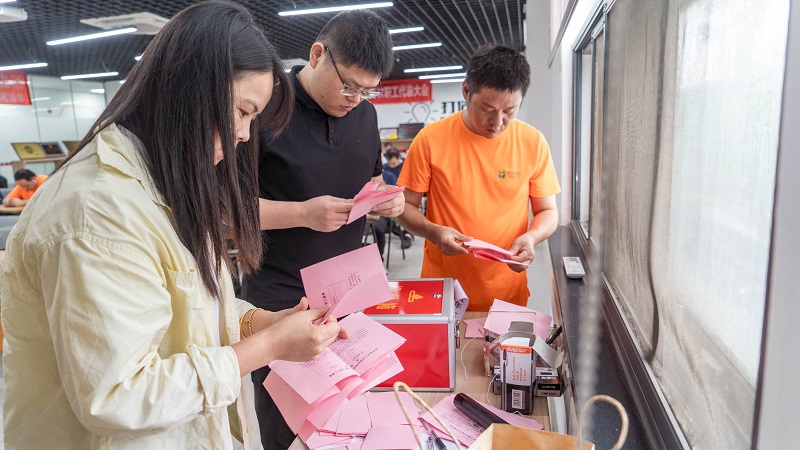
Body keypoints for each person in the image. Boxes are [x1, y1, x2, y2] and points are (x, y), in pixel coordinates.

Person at [0, 2, 346, 449]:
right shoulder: (98, 213)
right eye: (242, 112)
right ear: (189, 91)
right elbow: (119, 396)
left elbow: (189, 308)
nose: (244, 135)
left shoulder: (162, 181)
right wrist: (270, 347)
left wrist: (261, 323)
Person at [240, 9, 402, 449]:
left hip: (348, 293)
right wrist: (301, 213)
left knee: (345, 424)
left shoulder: (365, 116)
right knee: (288, 431)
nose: (356, 99)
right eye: (349, 86)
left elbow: (371, 180)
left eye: (368, 91)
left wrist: (387, 199)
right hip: (281, 298)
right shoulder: (264, 107)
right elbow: (225, 211)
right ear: (317, 55)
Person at [397, 45, 561, 312]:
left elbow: (548, 211)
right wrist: (433, 232)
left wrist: (532, 237)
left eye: (509, 110)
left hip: (506, 292)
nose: (497, 121)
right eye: (487, 108)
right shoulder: (430, 140)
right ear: (466, 91)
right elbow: (404, 206)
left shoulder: (533, 142)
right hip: (444, 292)